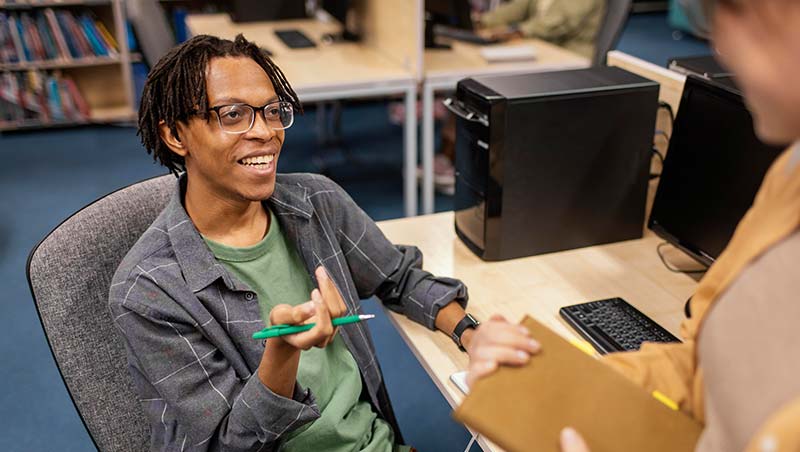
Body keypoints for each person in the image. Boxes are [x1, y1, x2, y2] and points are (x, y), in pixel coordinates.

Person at [109, 34, 479, 451]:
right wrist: (282, 352)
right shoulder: (149, 290)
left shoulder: (317, 202)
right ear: (176, 135)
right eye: (233, 115)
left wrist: (469, 333)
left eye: (271, 111)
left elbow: (399, 277)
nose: (265, 132)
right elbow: (229, 445)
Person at [466, 0, 800, 451]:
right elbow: (701, 370)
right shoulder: (789, 177)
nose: (719, 45)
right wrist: (546, 384)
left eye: (731, 12)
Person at [477, 0, 606, 59]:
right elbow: (518, 8)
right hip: (541, 47)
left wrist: (518, 31)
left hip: (570, 55)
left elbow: (558, 22)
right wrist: (482, 21)